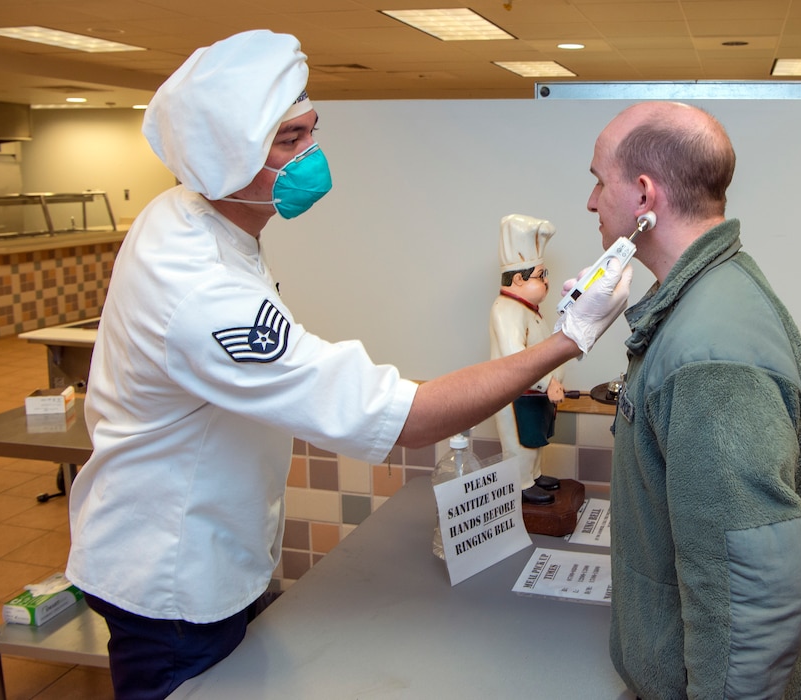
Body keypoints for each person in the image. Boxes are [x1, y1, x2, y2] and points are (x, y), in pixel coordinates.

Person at [64, 30, 632, 700]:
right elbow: (406, 420)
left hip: (212, 546)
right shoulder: (199, 288)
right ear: (223, 157)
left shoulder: (196, 221)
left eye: (311, 131)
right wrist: (568, 336)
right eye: (288, 141)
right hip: (173, 579)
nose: (312, 155)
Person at [593, 101, 801, 699]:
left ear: (643, 196)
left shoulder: (709, 355)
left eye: (598, 180)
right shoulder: (710, 292)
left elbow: (754, 593)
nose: (591, 201)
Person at [489, 213, 566, 505]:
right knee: (519, 442)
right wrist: (547, 382)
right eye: (541, 276)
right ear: (519, 279)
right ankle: (521, 484)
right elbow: (517, 358)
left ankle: (533, 476)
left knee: (535, 439)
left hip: (537, 393)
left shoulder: (529, 310)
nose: (547, 282)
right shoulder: (506, 309)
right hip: (517, 393)